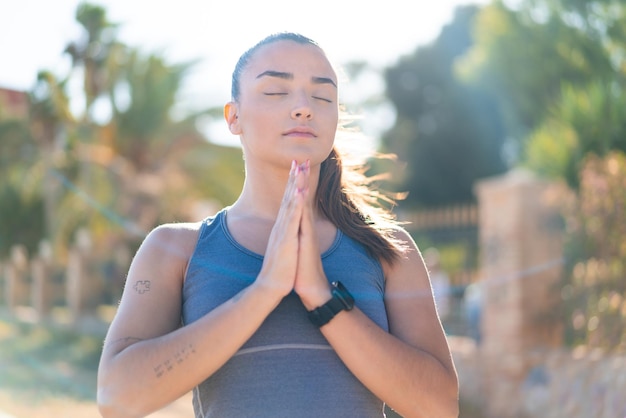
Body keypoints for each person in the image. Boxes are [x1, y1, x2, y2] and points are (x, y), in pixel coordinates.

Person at [96, 32, 459, 418]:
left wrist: (322, 297)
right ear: (233, 117)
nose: (304, 108)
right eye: (276, 91)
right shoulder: (174, 249)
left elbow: (439, 408)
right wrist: (265, 289)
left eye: (322, 96)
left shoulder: (389, 250)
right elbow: (117, 399)